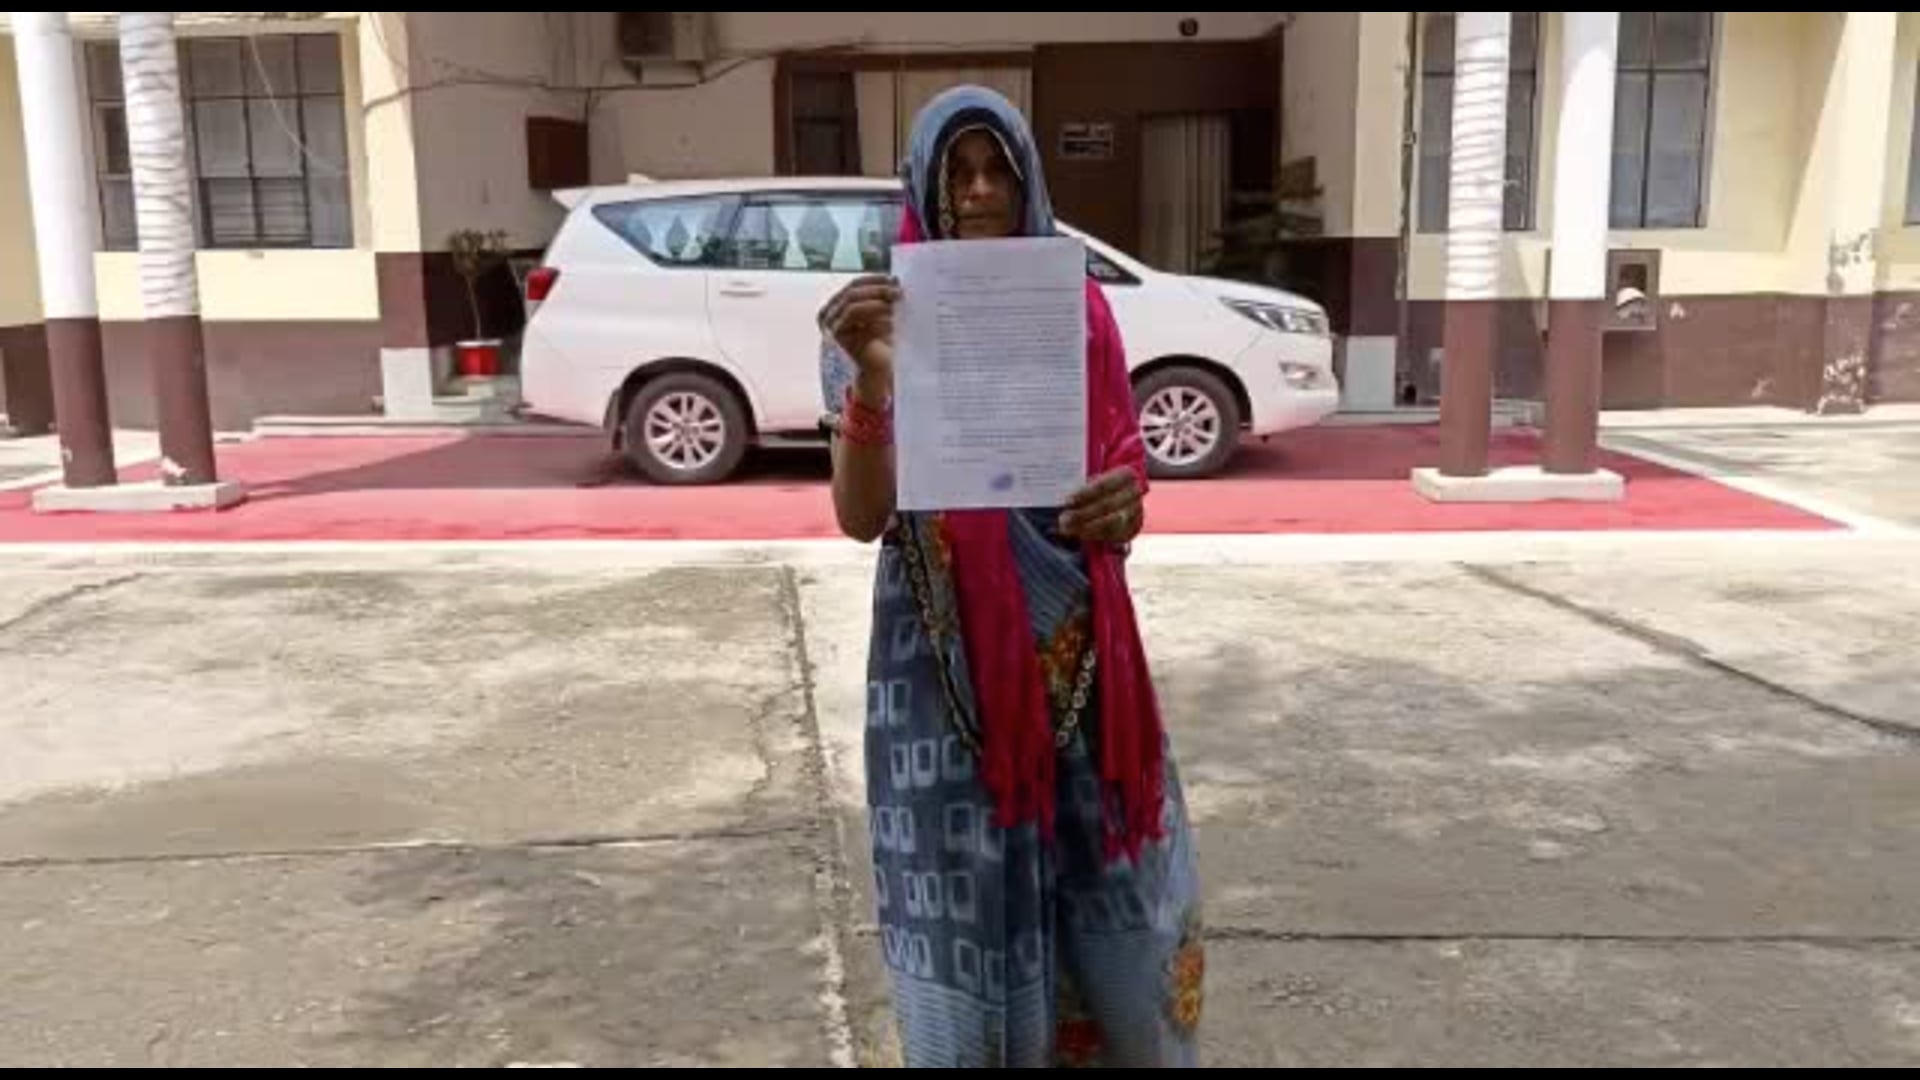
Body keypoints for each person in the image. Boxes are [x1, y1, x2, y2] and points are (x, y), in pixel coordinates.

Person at [819, 85, 1203, 1068]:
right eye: (957, 173)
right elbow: (862, 517)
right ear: (924, 185)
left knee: (1110, 900)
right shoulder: (875, 322)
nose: (980, 191)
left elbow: (1121, 484)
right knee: (963, 896)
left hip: (1077, 661)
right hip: (937, 670)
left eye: (998, 170)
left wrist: (1123, 505)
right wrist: (872, 379)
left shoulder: (1080, 315)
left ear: (1028, 179)